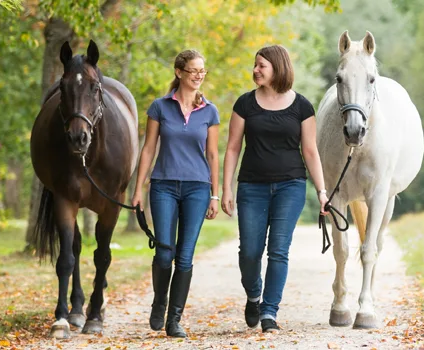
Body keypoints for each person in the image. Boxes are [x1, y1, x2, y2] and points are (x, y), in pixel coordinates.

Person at [221, 44, 329, 333]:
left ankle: (269, 312)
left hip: (290, 186)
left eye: (261, 65)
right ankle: (254, 295)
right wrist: (226, 189)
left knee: (279, 251)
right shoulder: (245, 104)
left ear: (277, 67)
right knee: (250, 252)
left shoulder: (302, 107)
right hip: (251, 187)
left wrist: (322, 191)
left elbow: (310, 151)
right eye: (255, 65)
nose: (255, 70)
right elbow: (232, 149)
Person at [131, 49, 221, 338]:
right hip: (164, 186)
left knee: (185, 256)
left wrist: (215, 194)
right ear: (179, 72)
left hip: (197, 187)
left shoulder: (210, 110)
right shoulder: (159, 107)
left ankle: (174, 319)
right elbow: (148, 149)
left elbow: (213, 154)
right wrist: (137, 189)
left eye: (202, 70)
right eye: (194, 70)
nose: (199, 75)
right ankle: (160, 301)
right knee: (163, 252)